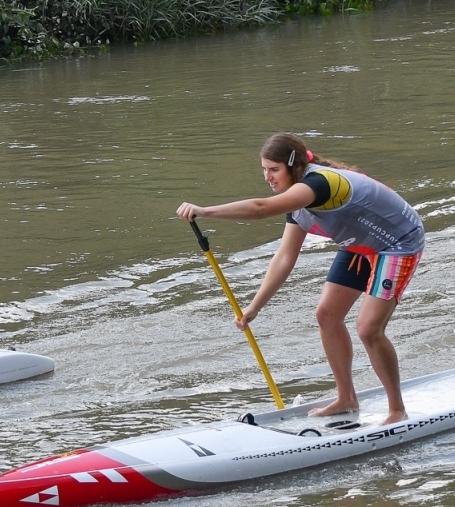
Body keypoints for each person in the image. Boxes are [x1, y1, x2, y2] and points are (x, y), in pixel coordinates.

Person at [176, 133, 424, 424]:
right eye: (264, 169)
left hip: (397, 243)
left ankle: (397, 410)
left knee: (368, 328)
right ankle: (346, 399)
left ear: (294, 166)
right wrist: (254, 307)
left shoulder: (319, 183)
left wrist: (205, 211)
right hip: (361, 245)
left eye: (274, 169)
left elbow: (261, 208)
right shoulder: (297, 206)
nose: (268, 177)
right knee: (327, 315)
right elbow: (284, 257)